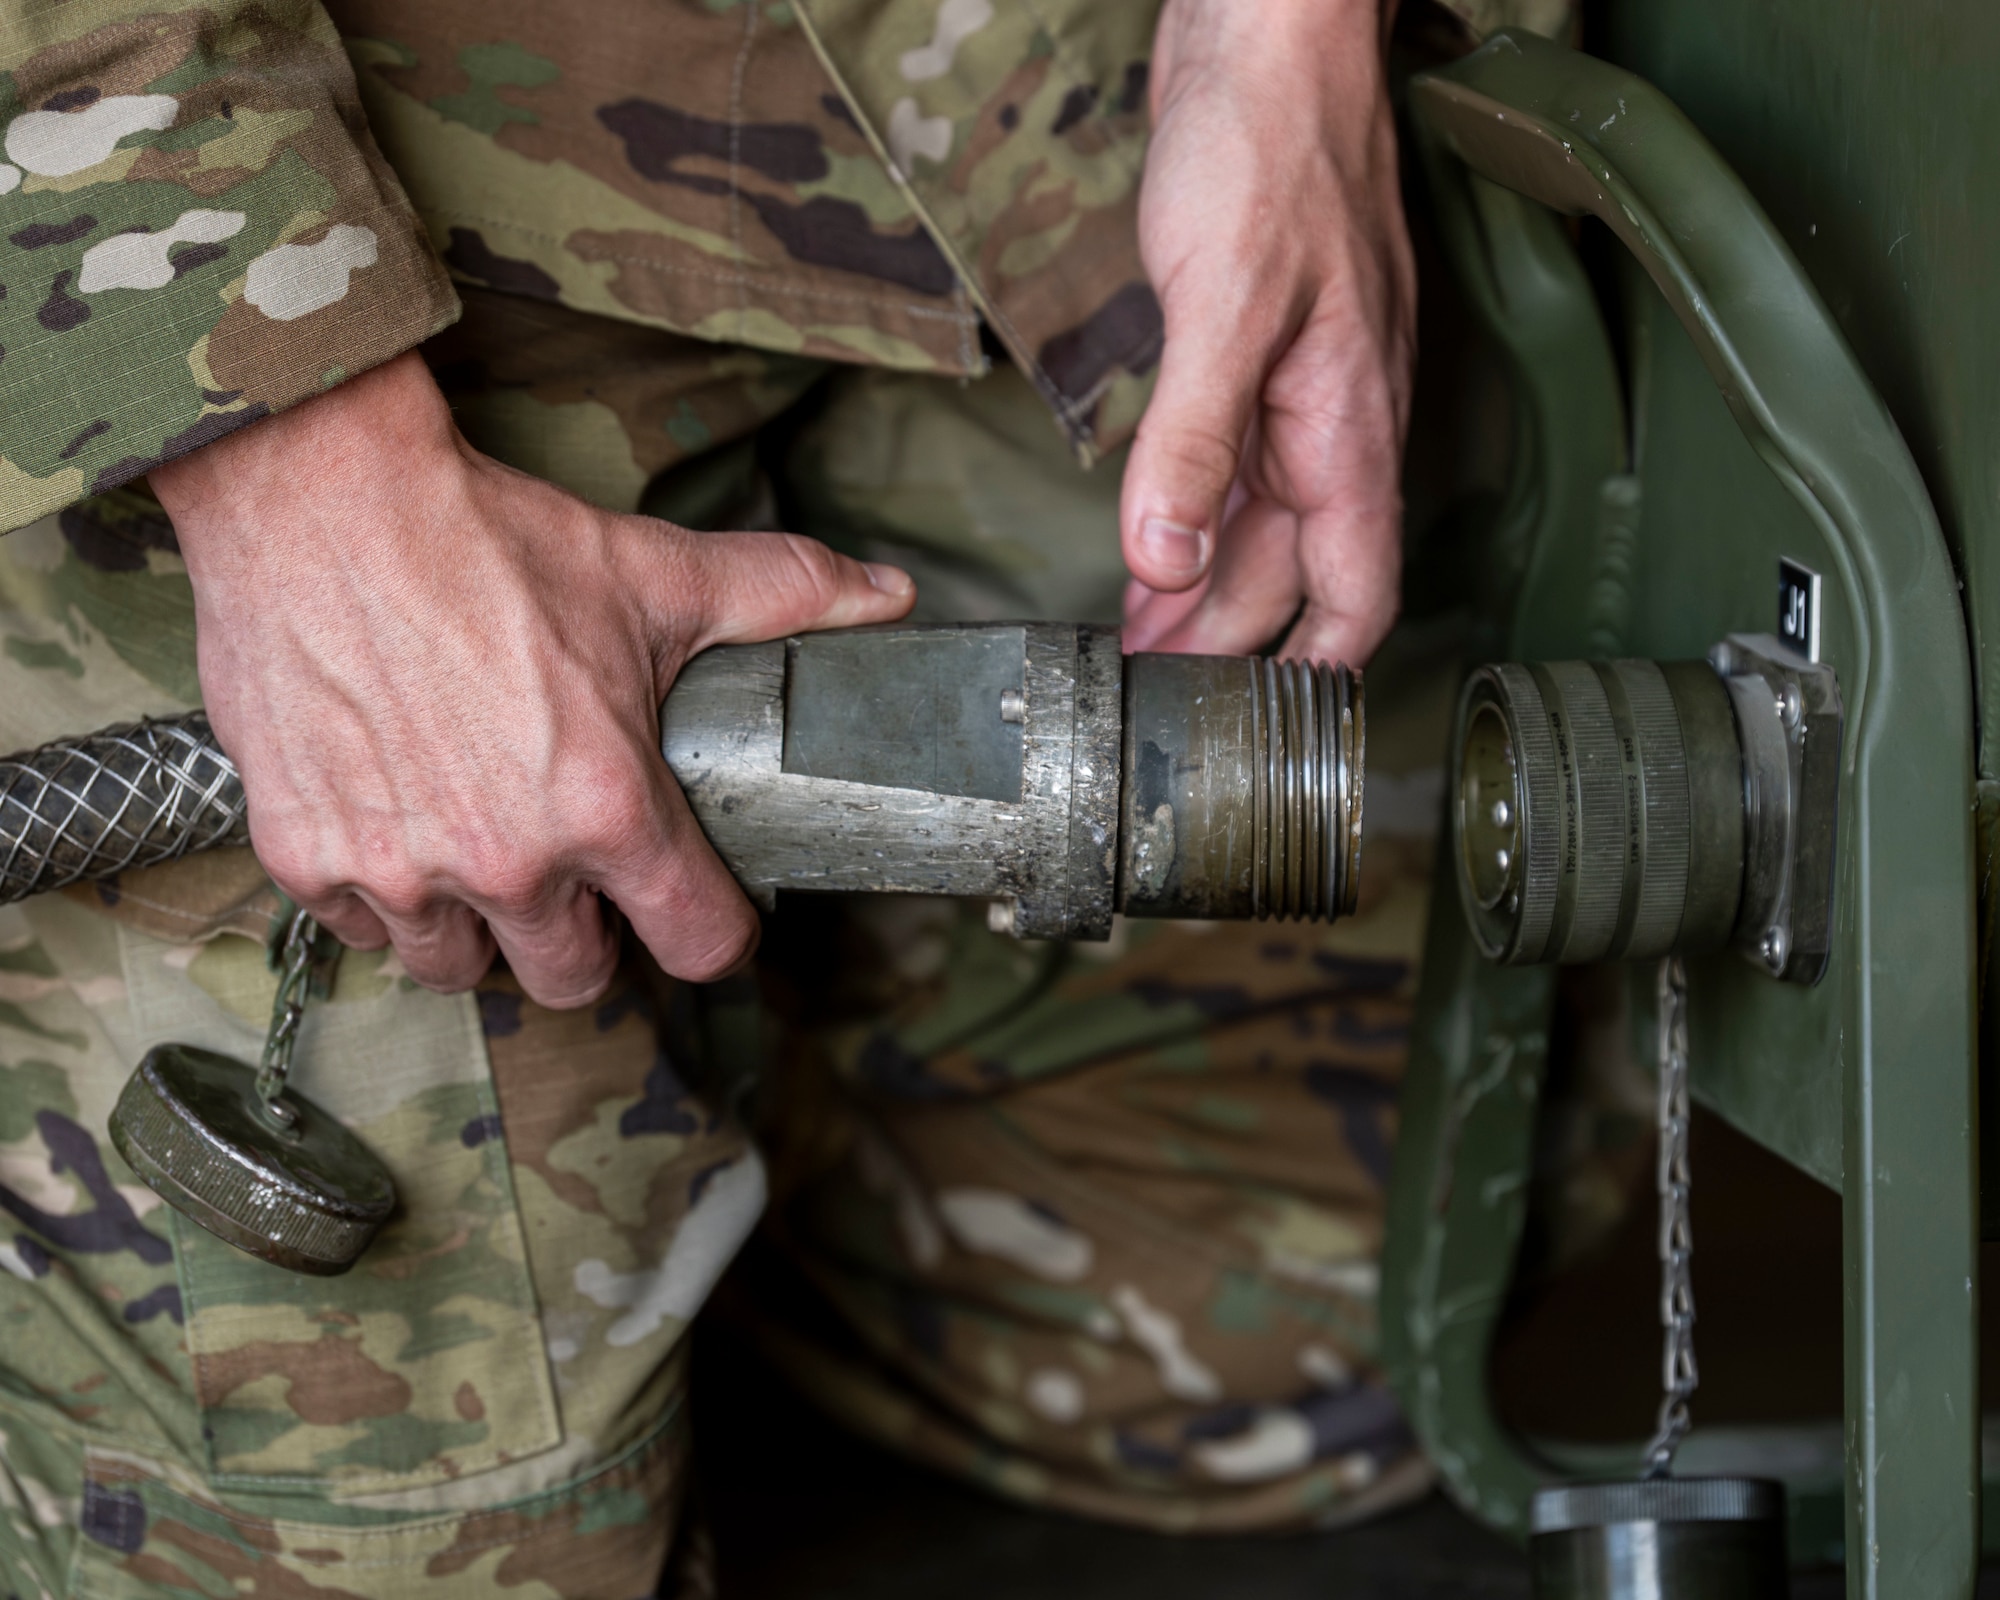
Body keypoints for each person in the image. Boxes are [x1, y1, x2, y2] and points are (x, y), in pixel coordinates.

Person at [0, 0, 1561, 1592]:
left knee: (1304, 1358)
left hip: (1045, 143)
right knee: (415, 1542)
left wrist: (1288, 43)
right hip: (324, 224)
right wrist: (300, 477)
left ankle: (722, 1123)